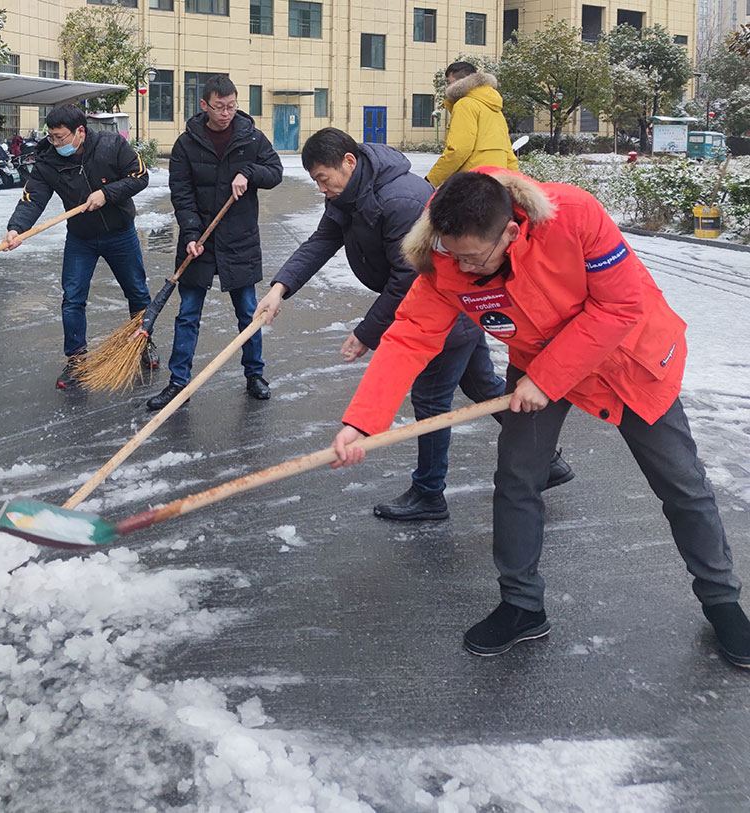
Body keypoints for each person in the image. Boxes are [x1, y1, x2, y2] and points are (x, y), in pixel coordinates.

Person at [331, 167, 750, 667]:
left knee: (681, 483)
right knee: (516, 479)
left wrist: (547, 379)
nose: (460, 267)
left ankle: (723, 602)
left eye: (471, 257)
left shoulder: (575, 214)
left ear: (511, 230)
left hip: (628, 357)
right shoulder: (443, 256)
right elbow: (411, 335)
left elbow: (619, 306)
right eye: (451, 253)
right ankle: (522, 605)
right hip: (536, 364)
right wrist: (364, 421)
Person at [256, 128, 571, 521]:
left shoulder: (399, 200)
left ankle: (429, 494)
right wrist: (280, 288)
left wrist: (366, 334)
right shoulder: (349, 195)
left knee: (432, 401)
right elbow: (322, 240)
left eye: (323, 178)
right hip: (459, 309)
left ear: (349, 163)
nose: (321, 189)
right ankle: (548, 460)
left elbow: (407, 282)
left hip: (447, 311)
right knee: (483, 387)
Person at [146, 74, 283, 410]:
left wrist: (249, 172)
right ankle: (179, 383)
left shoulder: (251, 137)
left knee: (249, 313)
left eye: (232, 106)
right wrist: (191, 234)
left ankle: (255, 374)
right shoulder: (186, 144)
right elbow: (182, 193)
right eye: (220, 107)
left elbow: (275, 171)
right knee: (188, 313)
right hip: (200, 240)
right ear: (204, 105)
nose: (226, 113)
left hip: (240, 239)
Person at [4, 104, 156, 389]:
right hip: (81, 237)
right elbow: (33, 197)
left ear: (80, 132)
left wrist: (106, 194)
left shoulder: (112, 145)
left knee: (137, 291)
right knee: (72, 298)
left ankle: (144, 343)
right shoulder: (48, 160)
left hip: (119, 233)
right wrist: (16, 229)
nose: (55, 143)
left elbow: (140, 177)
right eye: (51, 136)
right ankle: (76, 359)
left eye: (61, 137)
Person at [426, 62, 519, 188]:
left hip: (472, 183)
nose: (447, 87)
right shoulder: (495, 110)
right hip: (497, 184)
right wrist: (517, 185)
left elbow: (458, 150)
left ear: (462, 82)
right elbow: (508, 153)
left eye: (449, 82)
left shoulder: (465, 105)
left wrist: (431, 180)